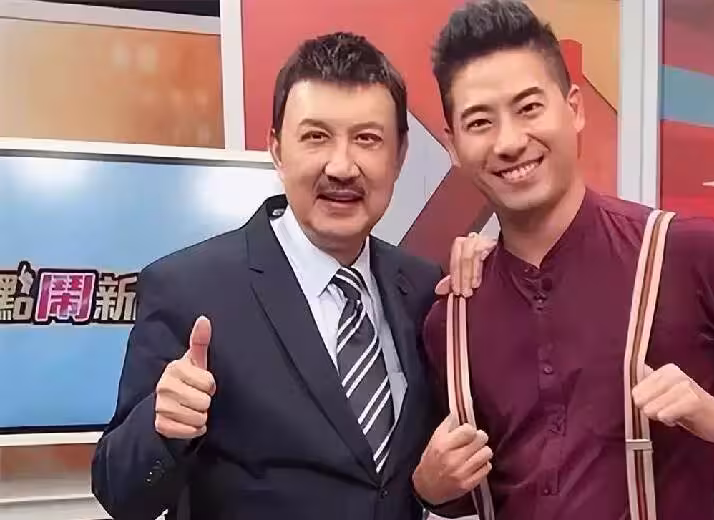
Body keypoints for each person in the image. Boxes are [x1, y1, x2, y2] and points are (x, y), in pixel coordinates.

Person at [411, 2, 714, 519]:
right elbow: (485, 480)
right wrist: (431, 490)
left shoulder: (689, 254)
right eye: (480, 122)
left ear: (574, 108)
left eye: (528, 108)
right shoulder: (453, 318)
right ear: (453, 146)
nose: (509, 142)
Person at [91, 31, 487, 520]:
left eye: (367, 139)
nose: (341, 167)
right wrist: (161, 430)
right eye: (316, 137)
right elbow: (120, 494)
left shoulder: (422, 288)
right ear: (277, 149)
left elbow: (426, 475)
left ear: (400, 154)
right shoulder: (187, 289)